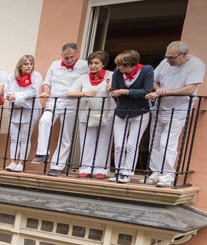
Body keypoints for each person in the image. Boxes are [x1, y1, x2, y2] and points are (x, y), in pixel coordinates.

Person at [146, 41, 204, 187]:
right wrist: (158, 89)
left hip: (179, 110)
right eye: (167, 57)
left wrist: (166, 92)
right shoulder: (165, 63)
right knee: (155, 141)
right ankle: (155, 173)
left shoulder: (196, 65)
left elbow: (190, 89)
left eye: (172, 58)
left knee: (167, 143)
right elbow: (154, 80)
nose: (169, 60)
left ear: (184, 55)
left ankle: (167, 175)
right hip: (160, 108)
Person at [33, 42, 87, 176]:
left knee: (66, 136)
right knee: (44, 121)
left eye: (72, 57)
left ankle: (56, 167)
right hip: (53, 101)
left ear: (77, 55)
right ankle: (42, 153)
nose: (69, 60)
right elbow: (47, 82)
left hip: (71, 103)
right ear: (61, 55)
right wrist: (46, 92)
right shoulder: (55, 64)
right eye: (66, 57)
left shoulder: (85, 66)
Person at [110, 49, 155, 184]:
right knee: (118, 145)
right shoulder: (118, 73)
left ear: (130, 65)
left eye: (121, 65)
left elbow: (147, 90)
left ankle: (127, 172)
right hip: (121, 112)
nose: (118, 68)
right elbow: (113, 90)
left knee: (131, 144)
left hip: (140, 112)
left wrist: (126, 91)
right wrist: (117, 94)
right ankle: (118, 171)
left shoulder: (147, 70)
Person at [67, 51, 114, 179]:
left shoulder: (112, 76)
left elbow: (118, 91)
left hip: (106, 114)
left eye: (96, 63)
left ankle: (101, 170)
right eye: (91, 63)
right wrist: (84, 94)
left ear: (103, 64)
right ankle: (85, 168)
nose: (93, 66)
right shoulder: (83, 78)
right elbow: (70, 93)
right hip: (86, 114)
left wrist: (112, 89)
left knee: (104, 141)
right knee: (87, 141)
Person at [4, 54, 43, 171]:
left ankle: (21, 163)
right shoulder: (12, 76)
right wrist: (9, 96)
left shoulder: (36, 76)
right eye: (26, 64)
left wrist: (15, 96)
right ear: (20, 65)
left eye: (31, 64)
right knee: (14, 137)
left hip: (29, 110)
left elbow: (33, 92)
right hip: (15, 110)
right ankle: (13, 161)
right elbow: (7, 90)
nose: (29, 66)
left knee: (24, 138)